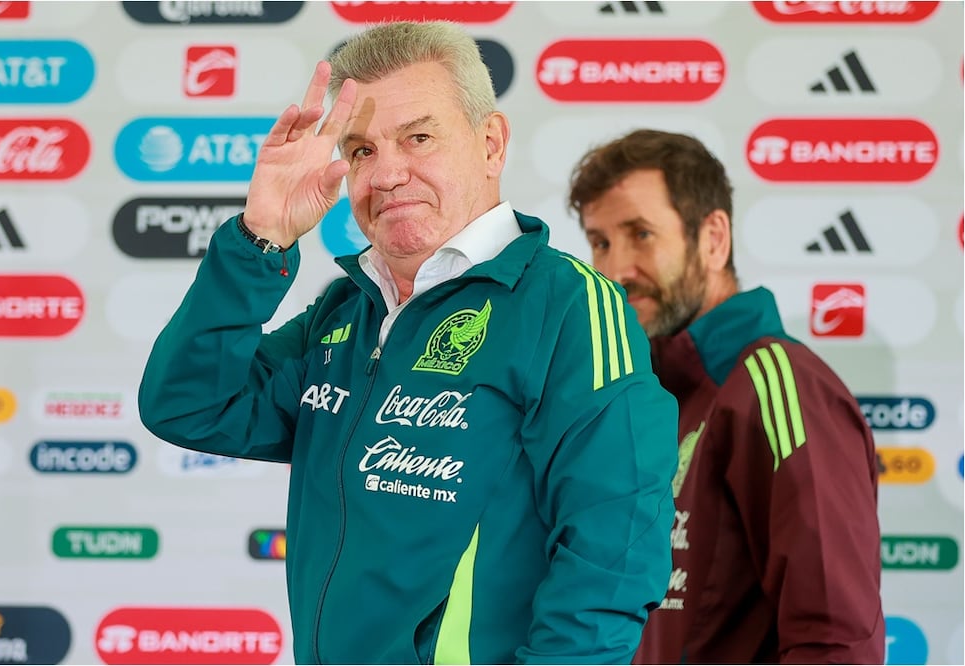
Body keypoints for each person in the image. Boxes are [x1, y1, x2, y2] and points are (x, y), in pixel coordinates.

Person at [138, 21, 679, 665]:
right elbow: (189, 405)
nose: (387, 174)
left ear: (490, 143)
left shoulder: (567, 306)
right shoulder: (347, 308)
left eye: (418, 137)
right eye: (362, 150)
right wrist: (261, 238)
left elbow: (613, 553)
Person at [567, 129, 885, 664]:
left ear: (714, 238)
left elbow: (834, 640)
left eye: (641, 234)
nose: (615, 271)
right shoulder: (643, 394)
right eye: (600, 242)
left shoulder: (778, 383)